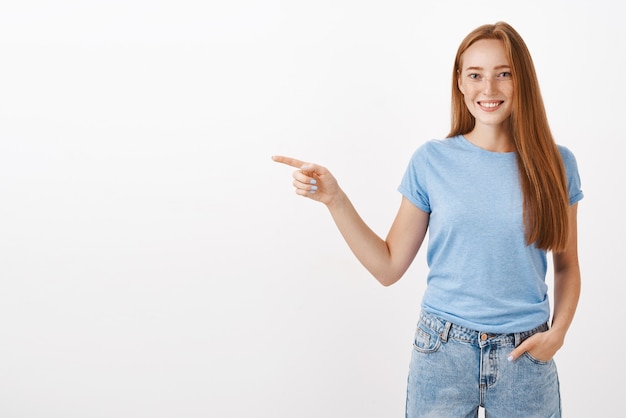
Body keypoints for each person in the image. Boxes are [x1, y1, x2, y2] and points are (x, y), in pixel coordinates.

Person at [272, 21, 582, 418]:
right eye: (475, 75)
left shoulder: (557, 165)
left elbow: (568, 265)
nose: (488, 89)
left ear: (522, 80)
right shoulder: (431, 162)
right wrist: (336, 200)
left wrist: (557, 335)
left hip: (526, 356)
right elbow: (388, 267)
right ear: (460, 82)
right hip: (443, 353)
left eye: (503, 74)